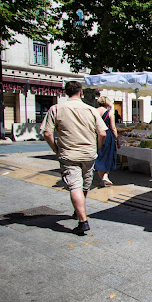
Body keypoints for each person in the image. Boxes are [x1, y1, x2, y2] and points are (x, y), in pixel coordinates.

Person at [41, 81, 107, 235]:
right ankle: (79, 211)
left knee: (75, 186)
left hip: (69, 153)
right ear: (81, 93)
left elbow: (47, 133)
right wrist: (96, 148)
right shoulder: (91, 110)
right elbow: (103, 133)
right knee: (84, 185)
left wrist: (55, 149)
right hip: (88, 154)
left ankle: (83, 221)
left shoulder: (56, 109)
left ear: (65, 92)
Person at [94, 96, 120, 187]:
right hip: (107, 135)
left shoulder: (94, 111)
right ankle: (105, 175)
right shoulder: (110, 113)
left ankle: (102, 179)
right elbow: (113, 128)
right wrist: (117, 139)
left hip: (96, 134)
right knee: (108, 155)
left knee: (99, 156)